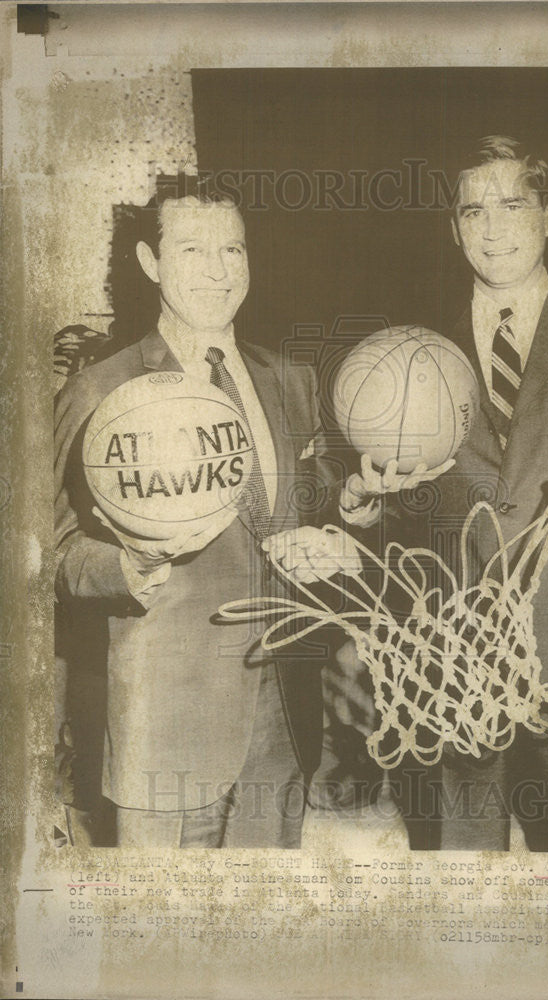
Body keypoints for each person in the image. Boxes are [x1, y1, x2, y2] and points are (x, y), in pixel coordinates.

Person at [272, 135, 548, 853]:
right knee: (460, 869)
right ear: (453, 228)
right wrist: (364, 497)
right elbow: (385, 503)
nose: (492, 227)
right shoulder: (414, 347)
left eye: (513, 204)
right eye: (472, 211)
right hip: (449, 651)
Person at [54, 177, 328, 848]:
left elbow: (314, 500)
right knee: (158, 940)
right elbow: (54, 555)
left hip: (284, 718)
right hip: (167, 726)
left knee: (262, 936)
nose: (217, 271)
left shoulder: (291, 379)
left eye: (232, 250)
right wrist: (131, 564)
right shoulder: (102, 388)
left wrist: (355, 504)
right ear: (151, 262)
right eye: (192, 249)